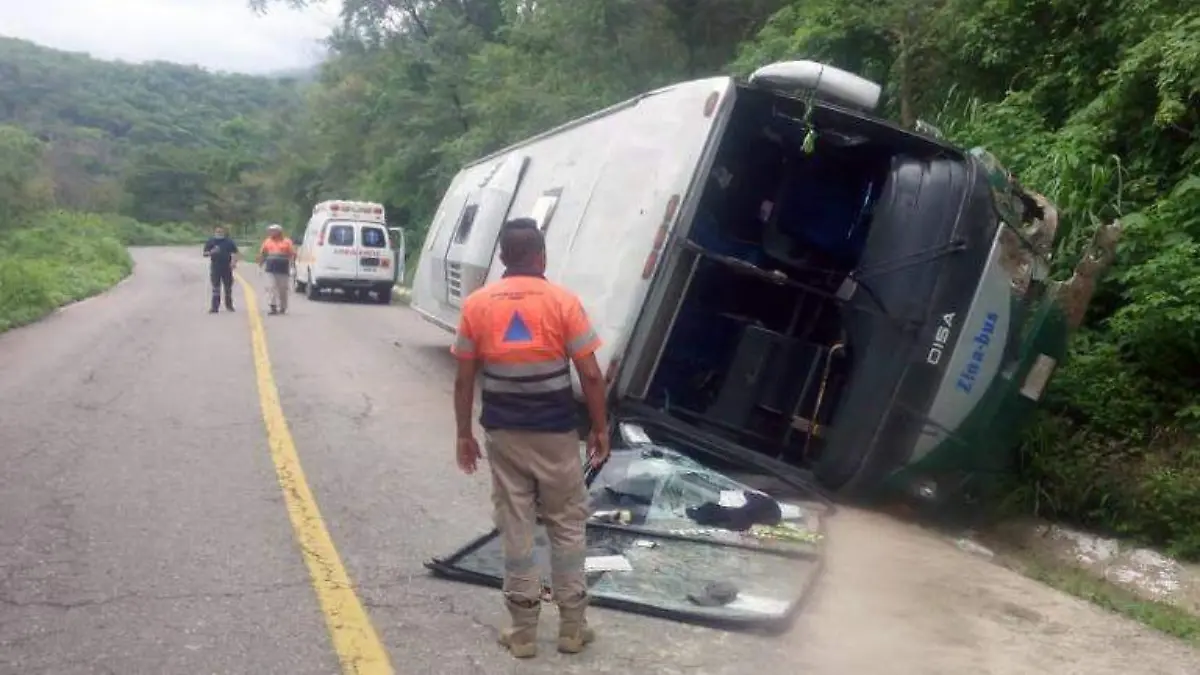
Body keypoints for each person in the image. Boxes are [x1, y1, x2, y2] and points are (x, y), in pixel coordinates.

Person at [451, 217, 610, 659]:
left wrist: (464, 434)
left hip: (503, 433)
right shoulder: (563, 302)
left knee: (516, 521)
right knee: (565, 521)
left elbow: (465, 381)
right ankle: (572, 628)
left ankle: (522, 633)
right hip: (556, 433)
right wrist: (600, 428)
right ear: (541, 257)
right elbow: (592, 375)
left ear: (503, 257)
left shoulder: (477, 304)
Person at [256, 224, 296, 315]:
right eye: (270, 231)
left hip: (283, 268)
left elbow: (292, 255)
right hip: (271, 268)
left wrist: (293, 267)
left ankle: (283, 306)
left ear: (279, 232)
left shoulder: (287, 242)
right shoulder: (267, 241)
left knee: (282, 289)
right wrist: (260, 266)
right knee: (271, 287)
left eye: (274, 231)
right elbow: (263, 254)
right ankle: (273, 306)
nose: (271, 233)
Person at [202, 225, 239, 313]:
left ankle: (229, 306)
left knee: (228, 287)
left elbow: (235, 252)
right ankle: (215, 307)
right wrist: (211, 252)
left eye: (221, 231)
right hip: (215, 267)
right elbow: (205, 253)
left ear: (224, 232)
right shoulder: (211, 241)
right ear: (214, 232)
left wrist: (233, 262)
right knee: (216, 287)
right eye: (217, 231)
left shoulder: (229, 242)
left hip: (227, 267)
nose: (219, 233)